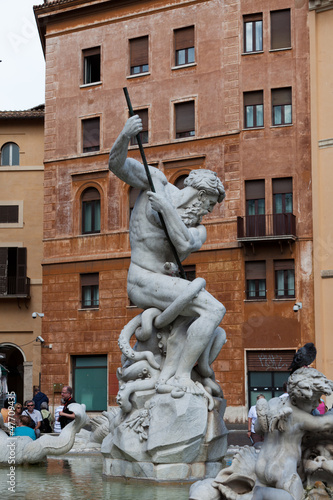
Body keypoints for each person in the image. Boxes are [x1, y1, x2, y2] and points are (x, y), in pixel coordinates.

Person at [108, 115, 226, 395]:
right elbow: (117, 165)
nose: (208, 211)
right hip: (141, 278)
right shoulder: (156, 182)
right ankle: (180, 377)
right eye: (208, 203)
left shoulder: (198, 230)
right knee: (213, 309)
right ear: (198, 193)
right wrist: (125, 136)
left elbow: (183, 244)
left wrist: (168, 211)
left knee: (214, 327)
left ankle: (196, 371)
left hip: (162, 285)